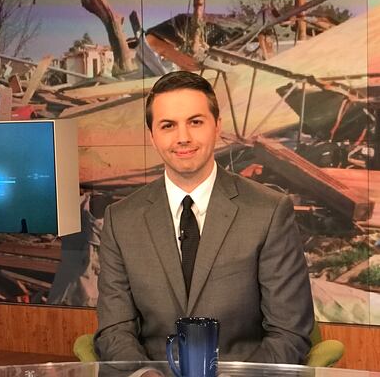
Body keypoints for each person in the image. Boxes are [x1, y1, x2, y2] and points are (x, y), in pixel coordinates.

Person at [94, 71, 313, 363]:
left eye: (195, 122)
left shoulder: (269, 211)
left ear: (217, 126)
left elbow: (289, 333)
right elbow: (114, 330)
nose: (183, 138)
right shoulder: (121, 220)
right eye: (168, 125)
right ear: (153, 136)